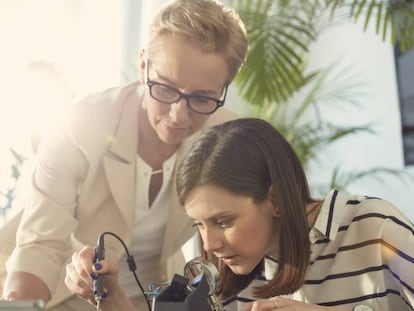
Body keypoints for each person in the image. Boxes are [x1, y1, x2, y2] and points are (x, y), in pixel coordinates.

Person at [0, 0, 248, 310]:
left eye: (201, 98)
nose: (178, 116)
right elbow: (41, 247)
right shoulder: (79, 126)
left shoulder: (230, 138)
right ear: (143, 66)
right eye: (166, 88)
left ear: (223, 88)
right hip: (61, 293)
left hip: (150, 297)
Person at [66, 118, 414, 310]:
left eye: (223, 221)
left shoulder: (375, 229)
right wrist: (110, 297)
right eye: (198, 225)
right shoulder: (229, 281)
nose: (210, 243)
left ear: (275, 199)